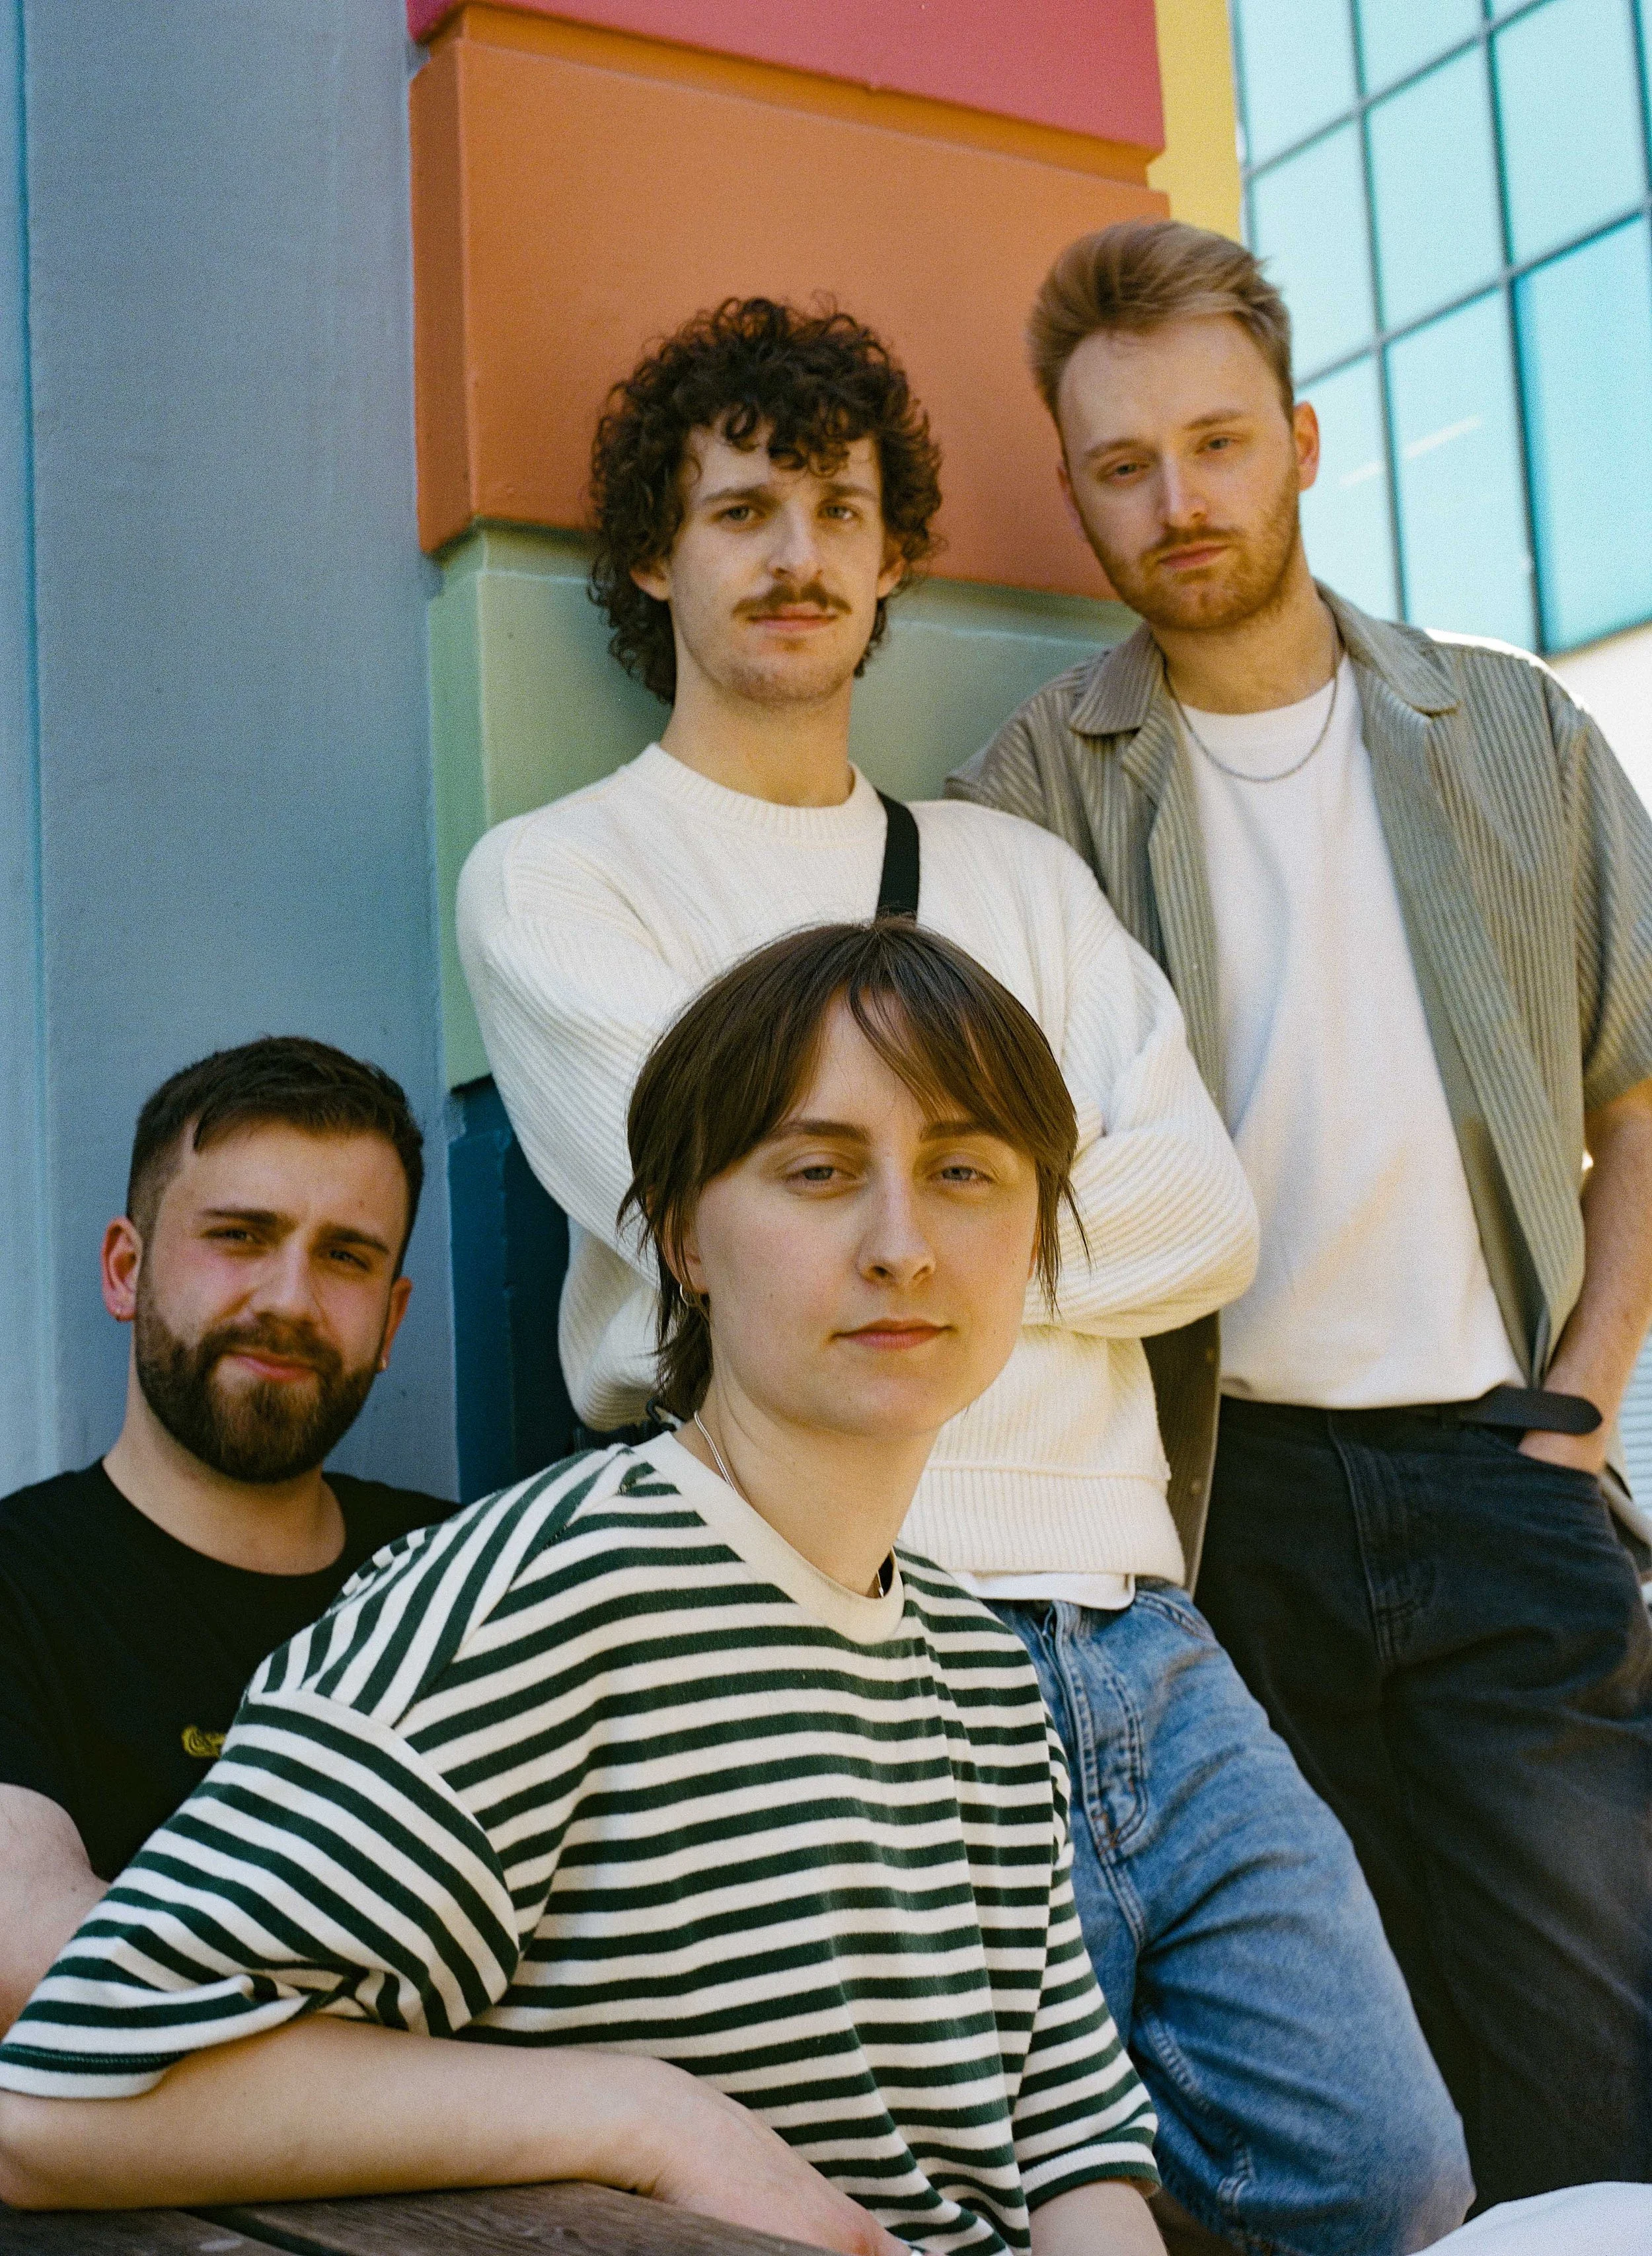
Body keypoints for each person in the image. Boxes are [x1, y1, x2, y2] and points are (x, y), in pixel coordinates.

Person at [453, 296, 1472, 2254]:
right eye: (742, 509)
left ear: (892, 552)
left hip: (1141, 1627)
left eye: (840, 510)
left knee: (1383, 2169)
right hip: (841, 1630)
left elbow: (1207, 1215)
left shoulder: (1011, 878)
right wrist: (997, 1188)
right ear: (653, 557)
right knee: (929, 2211)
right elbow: (715, 1213)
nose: (797, 554)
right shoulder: (558, 875)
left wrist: (883, 1226)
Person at [0, 922, 1167, 2256]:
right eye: (816, 1169)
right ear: (684, 1241)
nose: (900, 1242)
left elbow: (1073, 2151)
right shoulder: (530, 1603)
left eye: (963, 1170)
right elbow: (59, 2095)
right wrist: (639, 2118)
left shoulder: (979, 1669)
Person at [950, 217, 1652, 2207]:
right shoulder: (1026, 793)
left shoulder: (1508, 732)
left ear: (1300, 440)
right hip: (1213, 1501)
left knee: (1586, 2061)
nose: (1178, 500)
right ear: (1074, 488)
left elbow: (1639, 1076)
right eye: (1120, 465)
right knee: (1331, 2102)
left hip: (1501, 1465)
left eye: (1217, 441)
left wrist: (1585, 1385)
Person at [0, 1037, 452, 2031]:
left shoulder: (461, 1579)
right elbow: (36, 1968)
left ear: (389, 1320)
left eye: (346, 1255)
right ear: (126, 1269)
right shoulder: (18, 1588)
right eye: (241, 1235)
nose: (290, 1299)